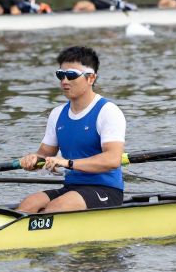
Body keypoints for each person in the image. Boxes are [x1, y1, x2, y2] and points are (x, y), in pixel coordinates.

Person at [17, 46, 126, 212]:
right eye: (60, 75)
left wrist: (67, 163)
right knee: (28, 204)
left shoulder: (108, 111)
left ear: (91, 78)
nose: (64, 81)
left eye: (71, 75)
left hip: (106, 190)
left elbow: (112, 160)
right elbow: (44, 154)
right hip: (72, 187)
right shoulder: (57, 114)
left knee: (56, 207)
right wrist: (33, 160)